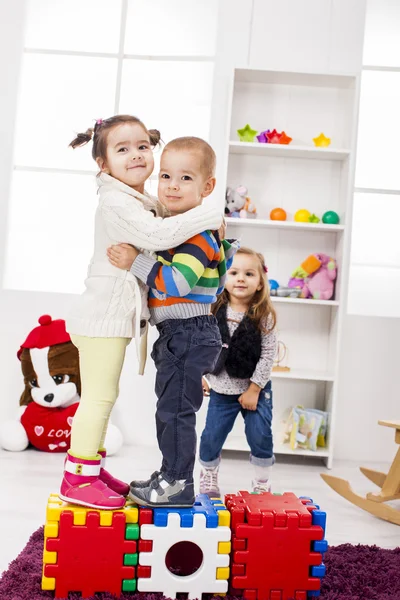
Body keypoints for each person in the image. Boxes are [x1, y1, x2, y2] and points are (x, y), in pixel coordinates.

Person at [60, 116, 222, 510]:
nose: (135, 155)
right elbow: (157, 237)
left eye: (142, 147)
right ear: (103, 164)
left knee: (108, 397)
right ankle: (76, 479)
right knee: (99, 398)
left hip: (123, 319)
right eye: (122, 149)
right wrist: (212, 213)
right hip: (102, 316)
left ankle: (92, 471)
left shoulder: (143, 201)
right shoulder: (116, 201)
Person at [107, 136, 239, 507]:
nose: (172, 186)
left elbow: (178, 282)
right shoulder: (177, 229)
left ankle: (178, 482)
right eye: (165, 176)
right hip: (179, 334)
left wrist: (134, 260)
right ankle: (169, 474)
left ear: (207, 187)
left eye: (185, 178)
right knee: (170, 409)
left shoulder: (197, 234)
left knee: (176, 411)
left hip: (189, 332)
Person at [198, 247, 277, 497]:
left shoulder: (263, 316)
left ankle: (262, 480)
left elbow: (267, 355)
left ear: (260, 283)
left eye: (249, 274)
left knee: (260, 434)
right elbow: (203, 346)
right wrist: (202, 375)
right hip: (221, 390)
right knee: (212, 435)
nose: (241, 278)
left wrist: (254, 389)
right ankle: (209, 473)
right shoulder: (212, 310)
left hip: (254, 389)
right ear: (224, 278)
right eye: (234, 272)